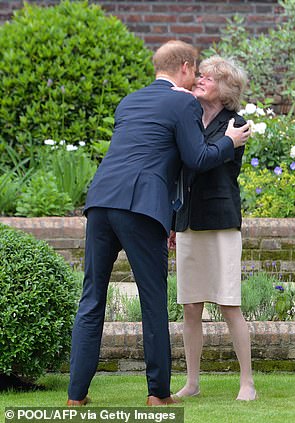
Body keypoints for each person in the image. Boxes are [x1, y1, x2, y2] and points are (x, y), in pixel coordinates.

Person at [67, 40, 252, 407]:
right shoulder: (182, 102)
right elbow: (197, 157)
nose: (197, 77)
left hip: (100, 201)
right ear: (184, 66)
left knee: (91, 300)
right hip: (140, 207)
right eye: (195, 70)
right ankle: (158, 394)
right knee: (153, 301)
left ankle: (76, 396)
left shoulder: (129, 101)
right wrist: (229, 142)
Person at [172, 56, 256, 401]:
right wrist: (172, 222)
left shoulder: (237, 124)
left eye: (211, 77)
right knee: (191, 306)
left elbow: (204, 159)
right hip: (188, 221)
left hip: (221, 223)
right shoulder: (188, 118)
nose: (201, 78)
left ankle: (247, 383)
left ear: (227, 89)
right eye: (201, 75)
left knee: (229, 303)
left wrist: (224, 142)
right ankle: (192, 383)